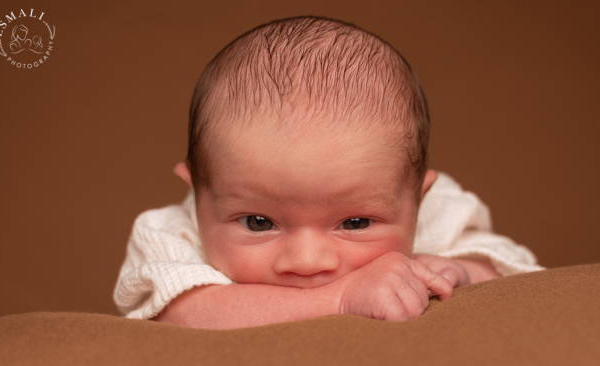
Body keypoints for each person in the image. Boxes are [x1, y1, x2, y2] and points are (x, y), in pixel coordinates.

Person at [113, 16, 543, 330]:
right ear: (199, 193)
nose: (306, 261)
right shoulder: (171, 235)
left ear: (417, 200)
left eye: (355, 223)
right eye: (258, 222)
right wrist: (340, 298)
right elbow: (189, 314)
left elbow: (516, 269)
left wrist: (457, 271)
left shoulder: (434, 214)